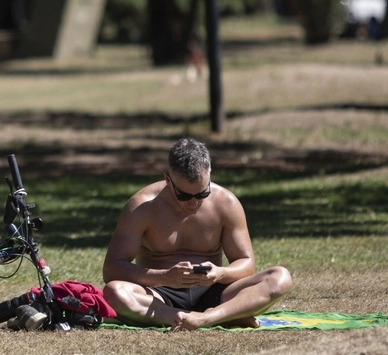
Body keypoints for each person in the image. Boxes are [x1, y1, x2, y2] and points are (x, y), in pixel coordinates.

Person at [102, 138, 292, 331]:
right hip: (159, 294)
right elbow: (112, 269)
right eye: (184, 196)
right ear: (168, 180)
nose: (193, 203)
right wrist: (165, 277)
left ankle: (206, 318)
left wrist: (220, 273)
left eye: (202, 194)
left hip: (214, 291)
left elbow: (246, 263)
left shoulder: (226, 202)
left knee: (280, 277)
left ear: (209, 175)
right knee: (114, 293)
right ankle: (216, 317)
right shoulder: (142, 206)